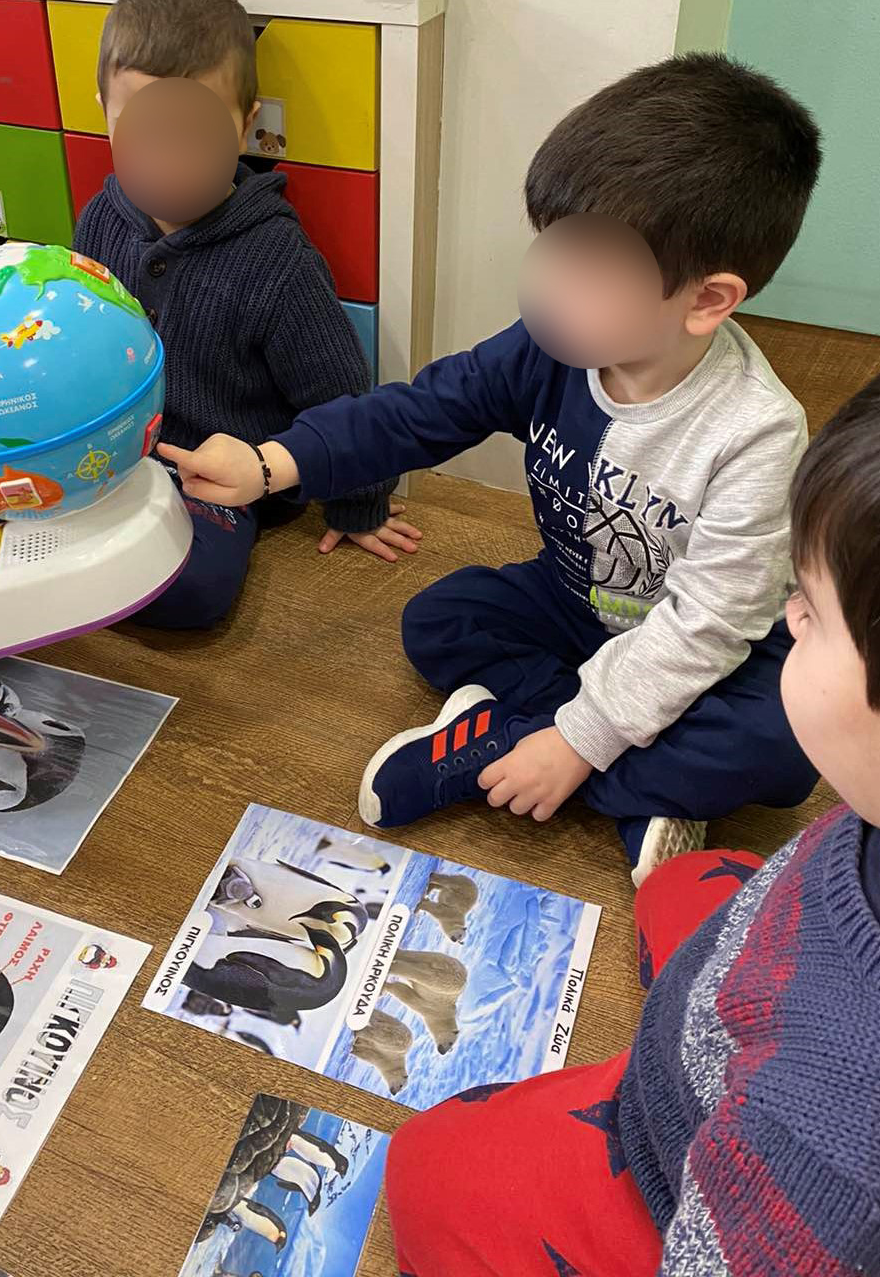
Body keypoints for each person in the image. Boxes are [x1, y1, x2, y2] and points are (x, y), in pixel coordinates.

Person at [163, 54, 823, 881]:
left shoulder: (756, 434)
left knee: (784, 748)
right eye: (550, 242)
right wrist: (272, 462)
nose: (545, 285)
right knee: (440, 619)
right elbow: (420, 411)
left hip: (711, 647)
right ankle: (642, 788)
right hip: (577, 603)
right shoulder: (548, 351)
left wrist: (572, 742)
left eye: (590, 269)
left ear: (704, 300)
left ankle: (506, 742)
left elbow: (707, 628)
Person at [382, 373, 880, 1276]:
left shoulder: (829, 1135)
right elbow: (436, 402)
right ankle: (589, 766)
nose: (788, 613)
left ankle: (512, 745)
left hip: (672, 1144)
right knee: (689, 875)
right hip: (739, 987)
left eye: (812, 611)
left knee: (423, 1167)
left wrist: (575, 743)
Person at [72, 0, 419, 631]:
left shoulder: (276, 259)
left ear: (245, 125)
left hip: (220, 475)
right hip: (113, 450)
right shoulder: (99, 219)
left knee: (193, 591)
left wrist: (359, 501)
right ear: (106, 115)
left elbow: (339, 389)